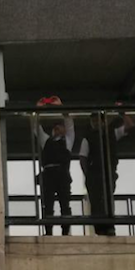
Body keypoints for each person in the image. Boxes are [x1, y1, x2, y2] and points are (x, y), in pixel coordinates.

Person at [79, 109, 134, 236]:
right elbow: (83, 157)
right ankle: (100, 228)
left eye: (97, 120)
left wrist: (122, 114)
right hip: (95, 173)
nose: (95, 123)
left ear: (103, 122)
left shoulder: (111, 133)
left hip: (108, 171)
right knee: (97, 200)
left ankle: (109, 226)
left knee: (107, 199)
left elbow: (129, 126)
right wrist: (88, 174)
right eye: (93, 121)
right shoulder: (88, 137)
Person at [34, 96, 75, 236]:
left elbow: (69, 124)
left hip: (62, 173)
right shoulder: (46, 140)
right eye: (55, 127)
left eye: (59, 126)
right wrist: (37, 109)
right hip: (48, 174)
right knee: (48, 204)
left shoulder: (68, 140)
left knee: (65, 203)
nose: (57, 129)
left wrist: (61, 107)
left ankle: (65, 230)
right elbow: (35, 127)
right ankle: (48, 231)